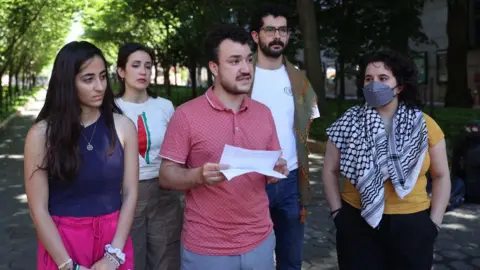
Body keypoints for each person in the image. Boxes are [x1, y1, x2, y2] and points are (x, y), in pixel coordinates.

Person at [158, 24, 289, 270]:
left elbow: (273, 164)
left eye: (249, 60)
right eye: (235, 61)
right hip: (206, 248)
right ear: (214, 68)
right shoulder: (186, 115)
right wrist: (198, 175)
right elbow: (166, 176)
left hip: (259, 241)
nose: (246, 69)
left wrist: (276, 171)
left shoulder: (263, 113)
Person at [322, 50, 451, 270]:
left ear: (399, 86)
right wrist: (337, 214)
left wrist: (434, 224)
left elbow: (441, 176)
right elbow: (329, 170)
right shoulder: (348, 123)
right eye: (368, 79)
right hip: (357, 221)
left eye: (383, 79)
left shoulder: (424, 125)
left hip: (412, 225)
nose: (374, 85)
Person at [24, 41, 138, 270]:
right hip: (62, 244)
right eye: (88, 79)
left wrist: (114, 255)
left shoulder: (123, 126)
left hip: (114, 241)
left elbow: (130, 192)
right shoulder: (41, 134)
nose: (100, 86)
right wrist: (68, 265)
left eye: (103, 76)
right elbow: (38, 209)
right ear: (67, 83)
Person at [249, 3, 320, 269]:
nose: (277, 36)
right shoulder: (242, 77)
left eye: (283, 30)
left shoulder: (299, 80)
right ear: (256, 36)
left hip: (290, 182)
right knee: (253, 258)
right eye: (270, 29)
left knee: (291, 260)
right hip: (251, 180)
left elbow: (306, 127)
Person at [115, 43, 182, 270]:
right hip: (125, 195)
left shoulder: (165, 106)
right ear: (121, 71)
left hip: (165, 193)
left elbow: (179, 150)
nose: (143, 71)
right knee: (131, 259)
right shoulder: (110, 109)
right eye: (135, 65)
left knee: (166, 260)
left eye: (148, 66)